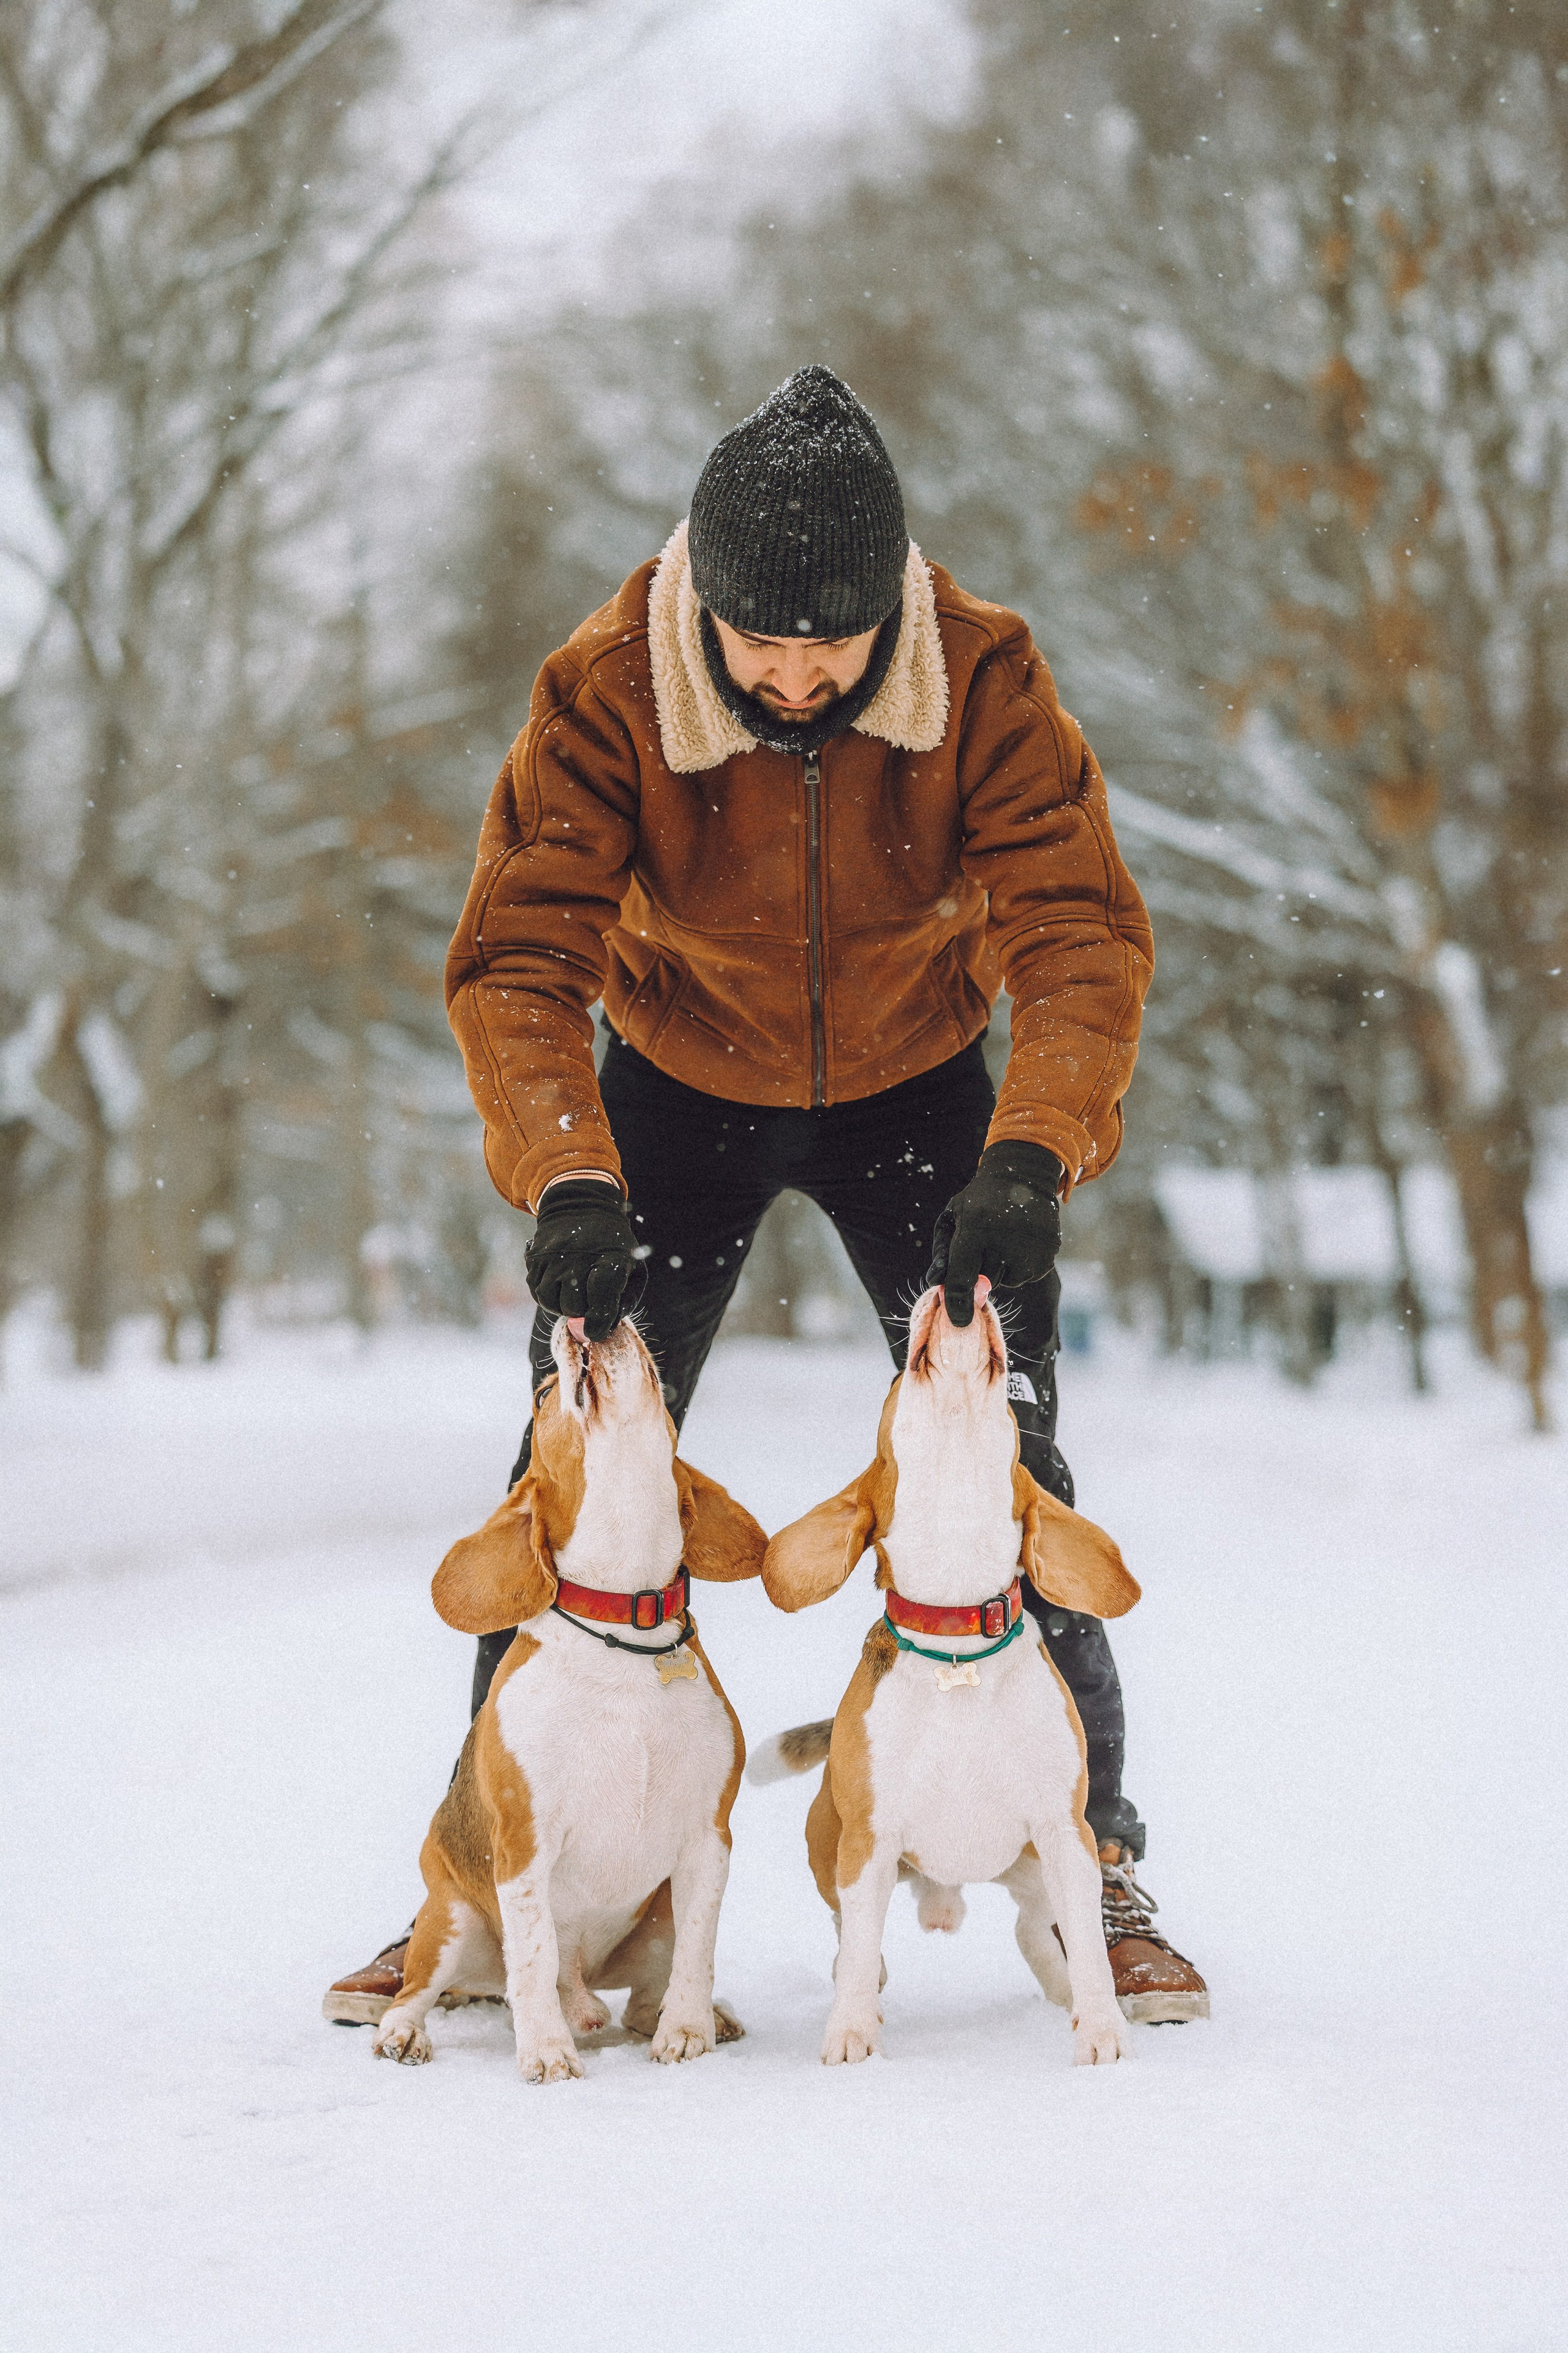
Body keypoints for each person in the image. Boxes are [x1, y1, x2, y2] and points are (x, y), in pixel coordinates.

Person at [325, 366, 1207, 2028]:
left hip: (926, 1088)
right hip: (673, 1097)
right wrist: (570, 1170)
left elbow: (1078, 929)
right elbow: (521, 953)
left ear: (893, 608)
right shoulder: (604, 686)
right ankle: (471, 1876)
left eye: (837, 642)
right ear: (704, 603)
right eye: (762, 642)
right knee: (566, 1472)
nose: (799, 674)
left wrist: (1033, 1147)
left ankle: (1097, 1853)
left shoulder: (986, 676)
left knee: (1004, 1456)